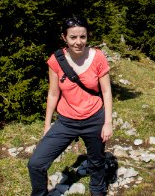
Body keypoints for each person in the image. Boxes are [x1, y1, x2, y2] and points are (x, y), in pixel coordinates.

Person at [28, 16, 113, 196]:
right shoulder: (56, 60)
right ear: (64, 38)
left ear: (87, 36)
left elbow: (106, 92)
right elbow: (53, 93)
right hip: (66, 121)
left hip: (94, 118)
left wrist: (107, 123)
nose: (78, 42)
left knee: (96, 163)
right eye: (73, 37)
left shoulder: (98, 57)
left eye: (82, 37)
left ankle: (97, 192)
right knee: (36, 163)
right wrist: (47, 125)